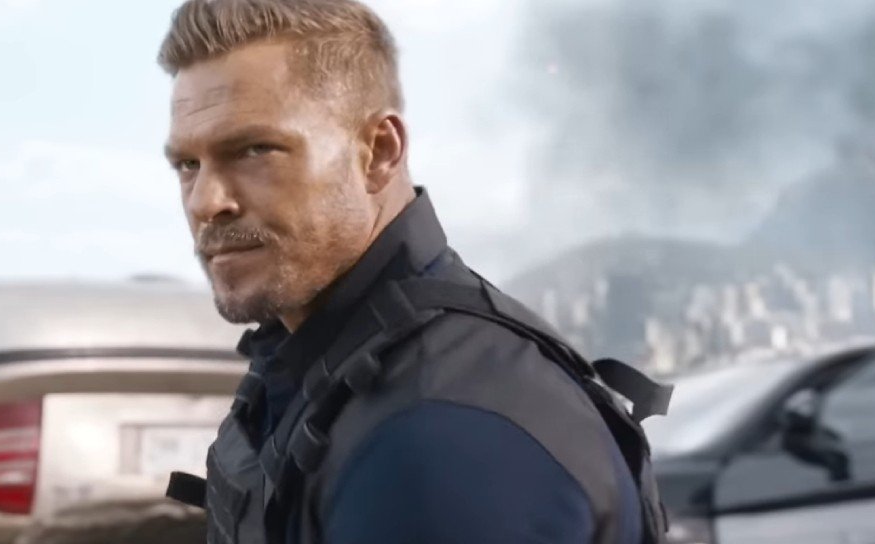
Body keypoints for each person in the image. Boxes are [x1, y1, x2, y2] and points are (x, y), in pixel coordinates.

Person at [157, 1, 671, 542]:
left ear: (379, 153)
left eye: (254, 151)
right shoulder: (321, 364)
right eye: (189, 164)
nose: (206, 202)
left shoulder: (443, 433)